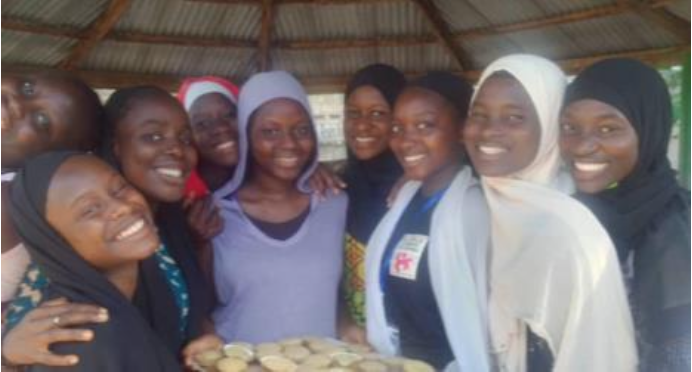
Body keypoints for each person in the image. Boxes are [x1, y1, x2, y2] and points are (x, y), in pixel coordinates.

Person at [2, 86, 219, 368]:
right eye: (153, 136)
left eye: (185, 137)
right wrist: (5, 355)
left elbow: (182, 328)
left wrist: (204, 347)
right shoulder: (72, 309)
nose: (176, 149)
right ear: (115, 146)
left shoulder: (170, 227)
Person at [464, 54, 637, 372]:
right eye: (479, 114)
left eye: (514, 118)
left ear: (549, 126)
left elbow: (595, 355)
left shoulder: (572, 230)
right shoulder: (480, 198)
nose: (489, 131)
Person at [560, 58, 690, 372]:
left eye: (608, 128)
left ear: (649, 130)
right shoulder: (580, 212)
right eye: (570, 127)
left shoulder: (677, 229)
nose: (582, 146)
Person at [10, 152, 180, 371]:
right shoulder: (78, 341)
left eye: (119, 188)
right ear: (56, 243)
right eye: (90, 210)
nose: (123, 207)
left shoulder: (148, 277)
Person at [211, 71, 347, 343]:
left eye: (302, 130)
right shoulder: (215, 213)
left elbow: (346, 291)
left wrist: (346, 321)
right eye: (270, 131)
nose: (289, 144)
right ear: (247, 136)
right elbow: (198, 304)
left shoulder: (335, 204)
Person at [365, 72, 489, 371]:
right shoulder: (404, 200)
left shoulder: (477, 211)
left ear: (462, 129)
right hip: (394, 360)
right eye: (397, 127)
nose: (405, 140)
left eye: (425, 125)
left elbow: (485, 324)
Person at [2, 71, 104, 306]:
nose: (15, 104)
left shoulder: (6, 203)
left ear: (50, 155)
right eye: (27, 88)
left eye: (41, 121)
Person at [340, 64, 406, 340]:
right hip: (353, 347)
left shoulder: (420, 190)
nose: (362, 125)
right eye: (353, 113)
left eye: (378, 113)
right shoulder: (338, 186)